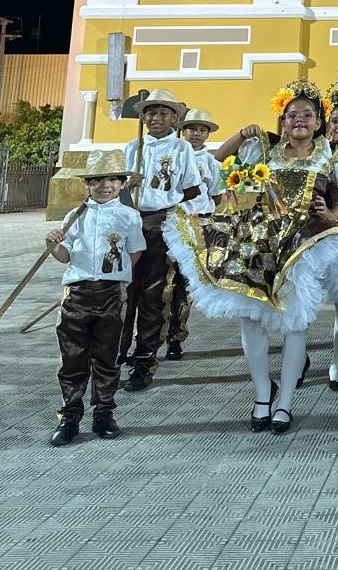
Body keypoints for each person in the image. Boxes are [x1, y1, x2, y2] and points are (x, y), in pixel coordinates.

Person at [164, 80, 338, 433]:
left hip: (304, 242)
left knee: (294, 321)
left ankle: (284, 401)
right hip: (258, 240)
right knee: (250, 317)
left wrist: (334, 214)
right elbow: (216, 161)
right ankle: (261, 393)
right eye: (292, 115)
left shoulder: (333, 153)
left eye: (307, 115)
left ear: (318, 122)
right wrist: (242, 134)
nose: (299, 120)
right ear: (283, 121)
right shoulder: (266, 148)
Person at [46, 149, 145, 446]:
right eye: (97, 180)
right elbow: (64, 256)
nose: (105, 185)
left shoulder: (130, 216)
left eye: (113, 179)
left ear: (122, 183)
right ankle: (69, 416)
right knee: (73, 359)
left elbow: (135, 252)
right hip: (76, 295)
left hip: (110, 296)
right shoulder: (75, 216)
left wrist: (116, 275)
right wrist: (52, 243)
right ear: (87, 184)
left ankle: (104, 413)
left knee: (107, 357)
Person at [120, 89, 202, 390]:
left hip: (159, 223)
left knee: (153, 293)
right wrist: (126, 184)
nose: (156, 118)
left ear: (174, 117)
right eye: (150, 113)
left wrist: (168, 199)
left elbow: (192, 188)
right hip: (130, 221)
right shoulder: (132, 147)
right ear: (143, 117)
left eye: (163, 113)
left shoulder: (181, 148)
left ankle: (145, 359)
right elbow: (114, 188)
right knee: (125, 292)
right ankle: (116, 356)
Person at [164, 107, 221, 361]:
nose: (196, 134)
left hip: (197, 227)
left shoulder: (211, 164)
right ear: (182, 131)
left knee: (185, 285)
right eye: (191, 128)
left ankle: (176, 337)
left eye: (201, 129)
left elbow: (216, 196)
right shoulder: (172, 156)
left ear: (207, 134)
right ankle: (152, 337)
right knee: (164, 283)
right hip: (172, 223)